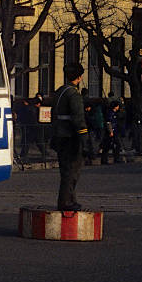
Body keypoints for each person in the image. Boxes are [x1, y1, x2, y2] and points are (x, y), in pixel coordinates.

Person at [50, 64, 90, 211]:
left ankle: (70, 199)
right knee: (72, 171)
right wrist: (85, 140)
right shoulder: (73, 94)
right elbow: (78, 119)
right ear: (79, 77)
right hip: (70, 137)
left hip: (59, 135)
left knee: (65, 169)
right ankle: (66, 201)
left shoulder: (60, 91)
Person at [101, 100, 123, 165]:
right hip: (111, 131)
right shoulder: (111, 113)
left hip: (114, 131)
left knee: (115, 145)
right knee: (108, 146)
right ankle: (106, 159)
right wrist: (111, 131)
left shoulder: (114, 113)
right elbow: (109, 123)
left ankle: (114, 158)